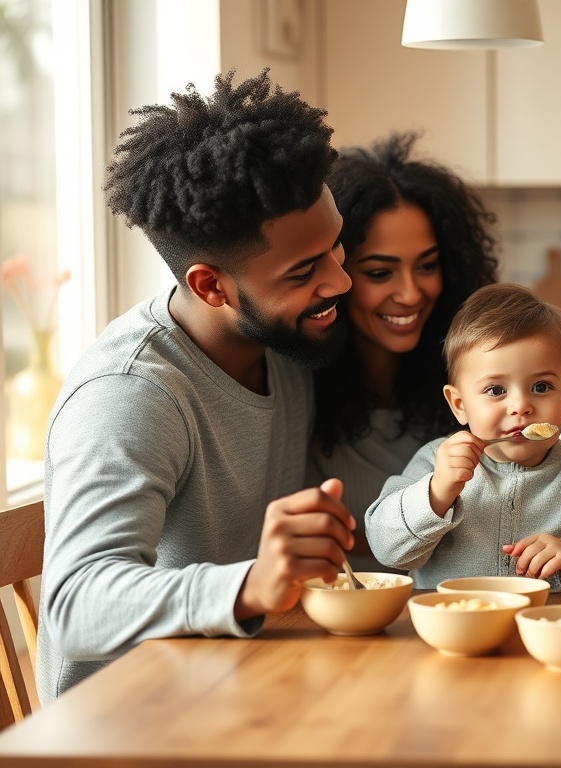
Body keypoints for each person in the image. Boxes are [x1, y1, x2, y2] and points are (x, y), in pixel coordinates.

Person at [38, 70, 357, 701]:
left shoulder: (284, 346)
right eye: (304, 271)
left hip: (238, 692)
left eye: (336, 248)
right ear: (211, 286)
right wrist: (251, 585)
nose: (339, 282)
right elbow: (74, 605)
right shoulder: (130, 393)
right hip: (129, 729)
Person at [364, 283, 561, 590]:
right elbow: (387, 548)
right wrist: (436, 493)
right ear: (459, 405)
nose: (521, 406)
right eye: (495, 390)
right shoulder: (435, 463)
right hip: (459, 629)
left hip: (555, 629)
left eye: (541, 387)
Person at [307, 132, 499, 572]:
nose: (411, 293)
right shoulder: (298, 382)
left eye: (428, 266)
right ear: (334, 273)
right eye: (380, 272)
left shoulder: (476, 380)